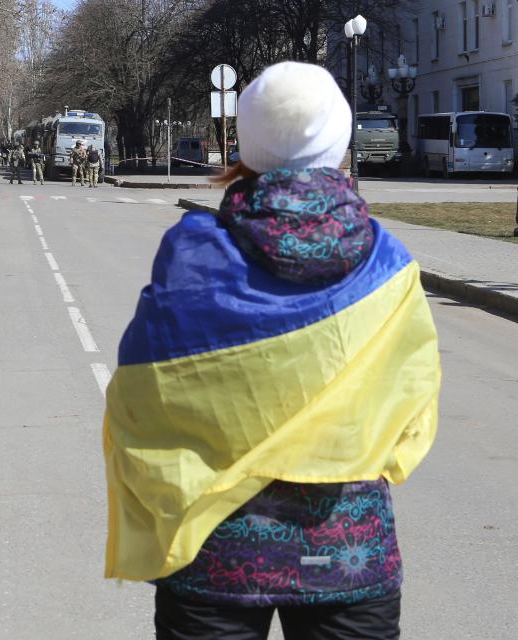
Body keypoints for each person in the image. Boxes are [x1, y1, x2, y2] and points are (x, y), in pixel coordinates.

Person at [102, 61, 442, 640]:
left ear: (246, 144)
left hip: (214, 551)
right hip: (348, 550)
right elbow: (414, 406)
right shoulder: (389, 264)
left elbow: (141, 395)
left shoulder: (192, 255)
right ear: (341, 141)